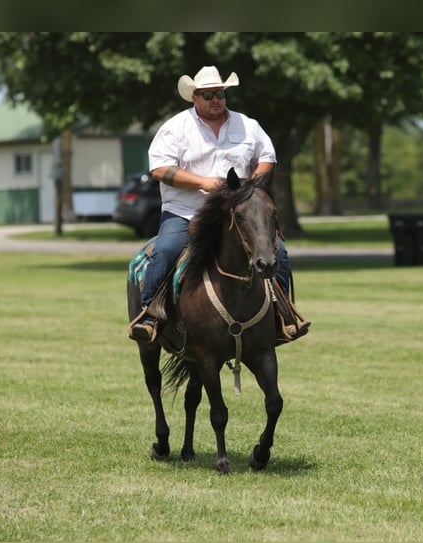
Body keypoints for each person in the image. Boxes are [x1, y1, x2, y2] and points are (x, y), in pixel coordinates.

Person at [129, 65, 310, 343]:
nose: (216, 99)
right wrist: (203, 183)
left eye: (221, 93)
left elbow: (267, 158)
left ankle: (281, 315)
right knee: (166, 249)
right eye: (208, 94)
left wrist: (252, 185)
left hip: (237, 215)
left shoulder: (247, 125)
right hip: (186, 213)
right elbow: (161, 169)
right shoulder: (175, 128)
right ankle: (150, 315)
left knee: (279, 252)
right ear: (195, 98)